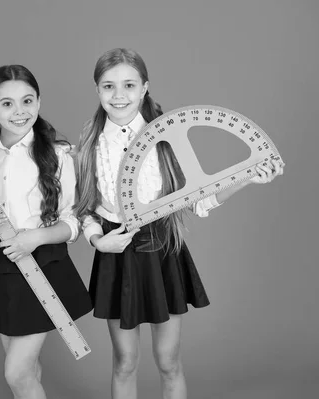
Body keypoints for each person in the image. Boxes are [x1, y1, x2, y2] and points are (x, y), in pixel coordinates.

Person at [74, 48, 284, 399]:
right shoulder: (88, 146)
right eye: (108, 86)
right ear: (97, 91)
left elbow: (201, 201)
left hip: (163, 250)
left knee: (168, 360)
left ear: (144, 88)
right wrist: (98, 240)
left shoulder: (167, 139)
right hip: (116, 251)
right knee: (124, 361)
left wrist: (248, 177)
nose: (119, 95)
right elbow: (84, 209)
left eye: (129, 84)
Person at [0, 64, 93, 399]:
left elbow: (73, 221)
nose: (20, 112)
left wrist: (36, 238)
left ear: (39, 103)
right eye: (7, 104)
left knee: (16, 373)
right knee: (27, 370)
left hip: (43, 265)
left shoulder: (60, 156)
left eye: (27, 101)